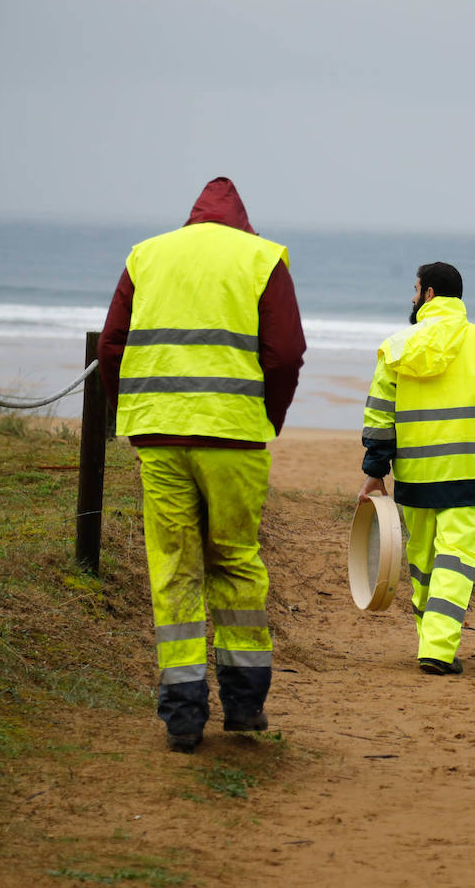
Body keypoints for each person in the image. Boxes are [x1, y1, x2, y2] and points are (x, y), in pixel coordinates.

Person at [98, 177, 305, 752]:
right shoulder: (263, 258)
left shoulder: (147, 255)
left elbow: (111, 345)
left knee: (174, 568)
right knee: (235, 561)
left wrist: (132, 411)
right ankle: (243, 706)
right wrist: (269, 416)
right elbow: (285, 352)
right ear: (242, 222)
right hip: (234, 439)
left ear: (193, 219)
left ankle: (184, 714)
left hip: (160, 437)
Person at [357, 262, 475, 676]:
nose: (412, 296)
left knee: (423, 561)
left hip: (416, 476)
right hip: (469, 473)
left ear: (430, 294)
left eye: (416, 288)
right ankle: (437, 650)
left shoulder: (396, 348)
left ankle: (430, 642)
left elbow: (378, 419)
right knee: (455, 560)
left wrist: (375, 471)